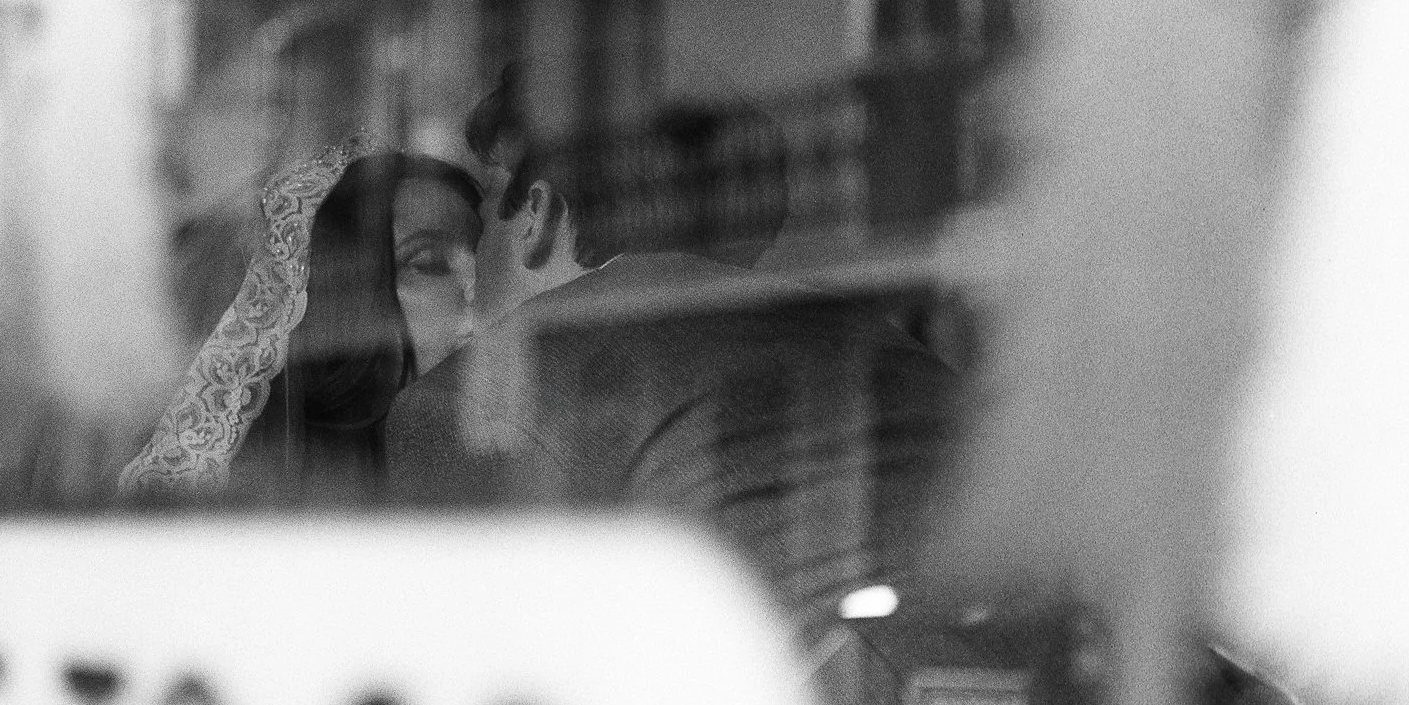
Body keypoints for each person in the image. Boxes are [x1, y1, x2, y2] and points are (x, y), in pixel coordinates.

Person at [384, 68, 957, 635]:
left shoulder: (476, 403)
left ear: (535, 215)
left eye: (476, 220)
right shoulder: (897, 356)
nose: (468, 266)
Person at [121, 138, 480, 502]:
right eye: (429, 263)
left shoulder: (494, 462)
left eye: (487, 260)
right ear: (350, 302)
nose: (476, 291)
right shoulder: (281, 504)